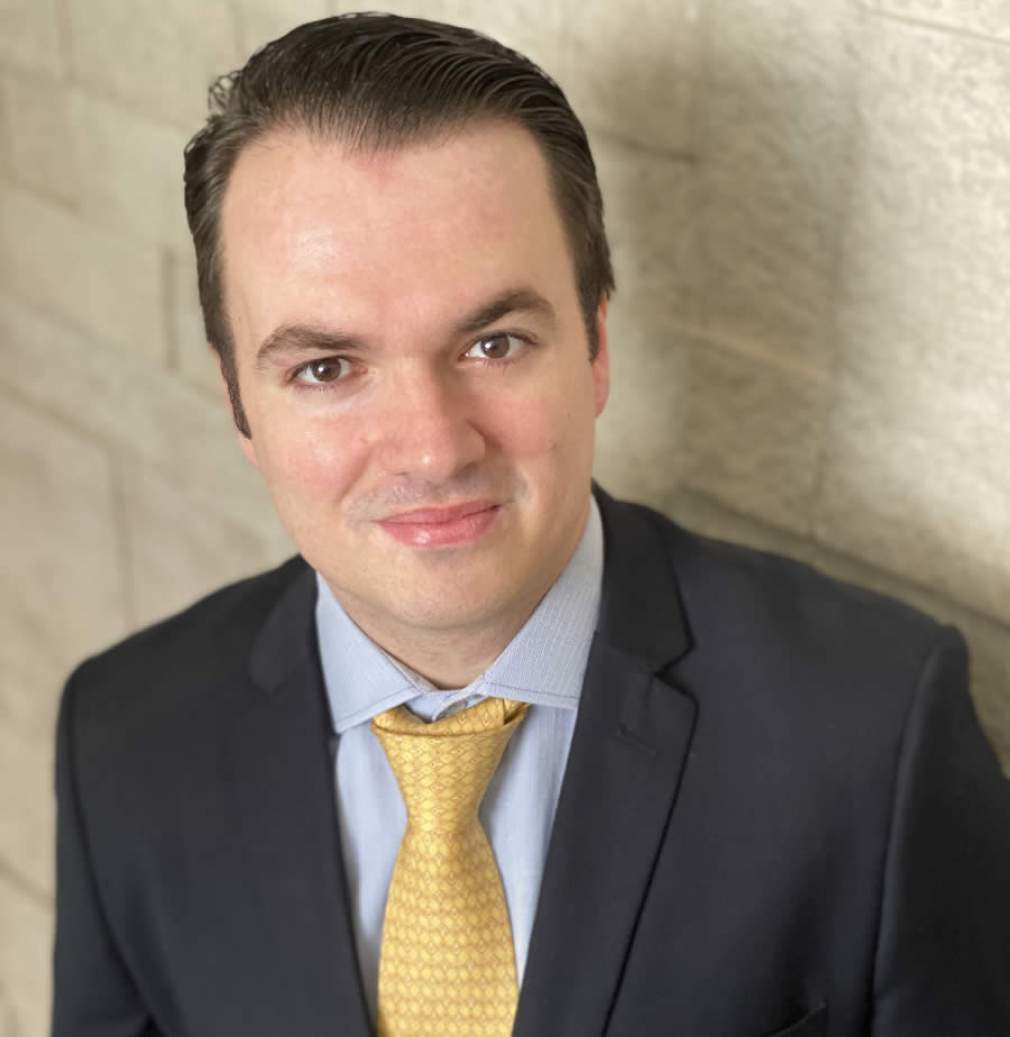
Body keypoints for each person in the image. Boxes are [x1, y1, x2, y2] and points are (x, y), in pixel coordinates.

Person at [52, 13, 1010, 1037]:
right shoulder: (121, 742)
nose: (432, 449)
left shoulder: (876, 732)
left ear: (595, 345)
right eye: (327, 368)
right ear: (240, 402)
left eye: (493, 343)